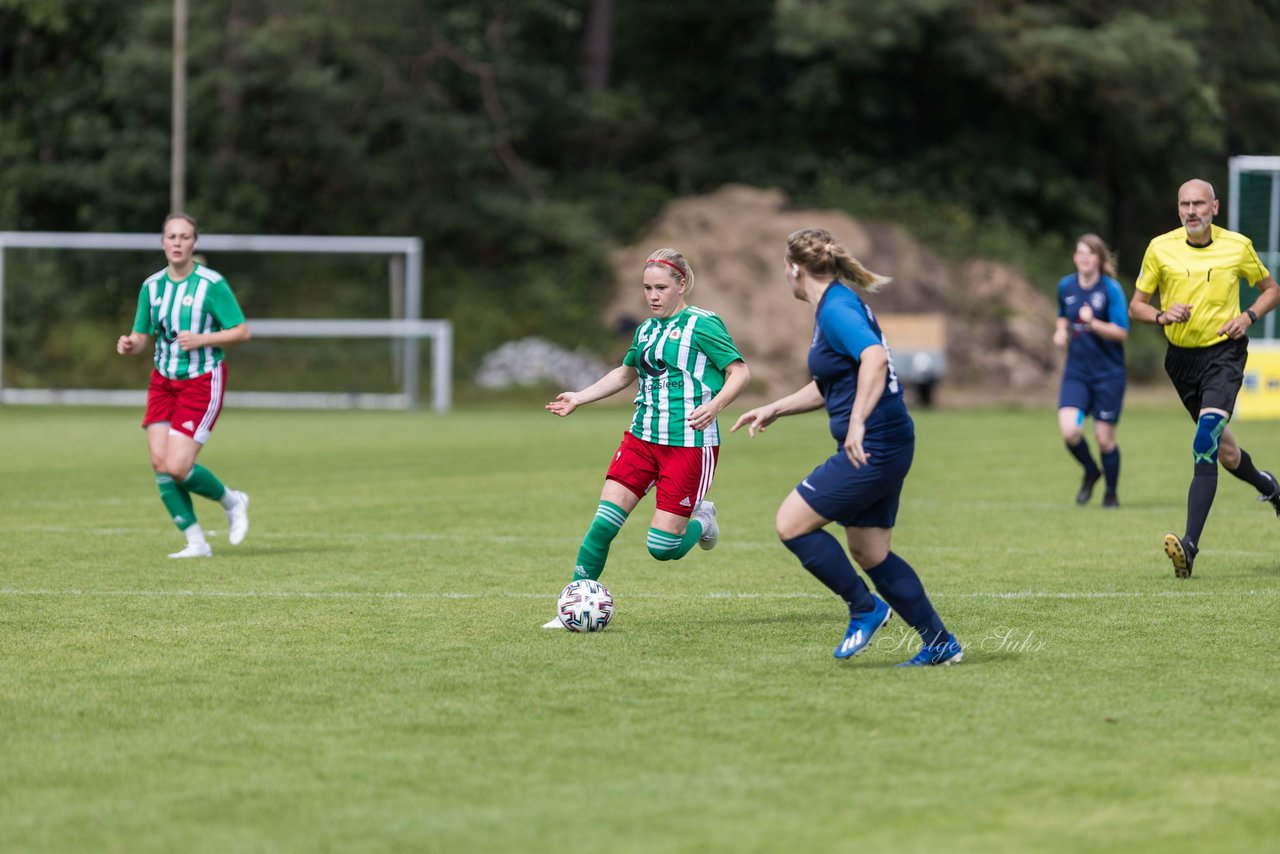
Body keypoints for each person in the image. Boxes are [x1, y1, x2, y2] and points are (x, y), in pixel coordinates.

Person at [731, 228, 962, 666]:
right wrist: (775, 408)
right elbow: (831, 384)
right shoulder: (834, 305)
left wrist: (856, 423)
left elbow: (873, 357)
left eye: (784, 266)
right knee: (870, 551)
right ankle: (940, 643)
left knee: (791, 523)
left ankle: (866, 608)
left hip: (873, 443)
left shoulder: (836, 309)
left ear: (795, 269)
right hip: (887, 439)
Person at [542, 248, 750, 628]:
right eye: (646, 288)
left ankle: (702, 519)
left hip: (688, 446)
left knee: (662, 548)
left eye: (661, 287)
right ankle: (572, 607)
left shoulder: (703, 324)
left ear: (681, 284)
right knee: (603, 524)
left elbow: (739, 372)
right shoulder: (646, 330)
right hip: (641, 439)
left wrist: (715, 405)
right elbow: (624, 375)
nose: (653, 295)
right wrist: (579, 397)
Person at [1130, 178, 1280, 578]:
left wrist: (1248, 317)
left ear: (1215, 207)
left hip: (1223, 355)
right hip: (1181, 362)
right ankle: (1271, 487)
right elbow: (1136, 306)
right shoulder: (1160, 248)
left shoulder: (1238, 246)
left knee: (1204, 440)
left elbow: (1271, 290)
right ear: (1178, 208)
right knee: (1227, 454)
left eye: (1199, 203)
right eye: (1184, 204)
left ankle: (1190, 546)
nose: (1191, 210)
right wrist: (1163, 315)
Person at [116, 213, 252, 558]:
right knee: (160, 464)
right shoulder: (152, 286)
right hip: (163, 382)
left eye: (184, 237)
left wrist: (203, 338)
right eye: (171, 237)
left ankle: (232, 501)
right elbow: (142, 335)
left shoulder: (211, 284)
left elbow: (241, 331)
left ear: (194, 243)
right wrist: (131, 344)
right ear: (162, 242)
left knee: (178, 467)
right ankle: (196, 542)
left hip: (202, 381)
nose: (177, 243)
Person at [1052, 234, 1129, 507]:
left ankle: (1110, 492)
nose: (1084, 258)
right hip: (1077, 372)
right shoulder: (1066, 286)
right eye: (1080, 253)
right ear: (1075, 257)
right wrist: (1061, 331)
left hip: (1108, 374)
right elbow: (1063, 315)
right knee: (1070, 431)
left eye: (1090, 253)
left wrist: (1093, 323)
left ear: (1099, 258)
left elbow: (1121, 332)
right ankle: (1090, 470)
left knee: (1104, 439)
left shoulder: (1111, 290)